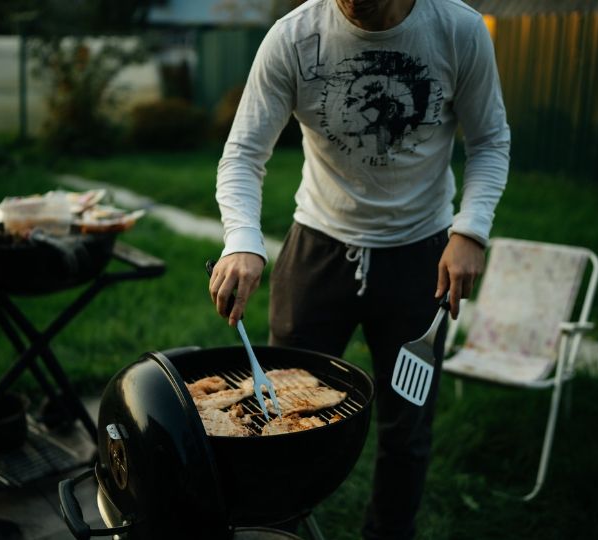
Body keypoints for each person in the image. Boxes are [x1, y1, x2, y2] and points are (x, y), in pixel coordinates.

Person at [208, 0, 510, 537]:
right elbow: (243, 153)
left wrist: (470, 230)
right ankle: (281, 530)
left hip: (422, 255)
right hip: (318, 251)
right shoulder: (294, 38)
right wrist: (242, 241)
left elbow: (489, 140)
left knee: (407, 426)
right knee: (276, 416)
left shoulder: (458, 30)